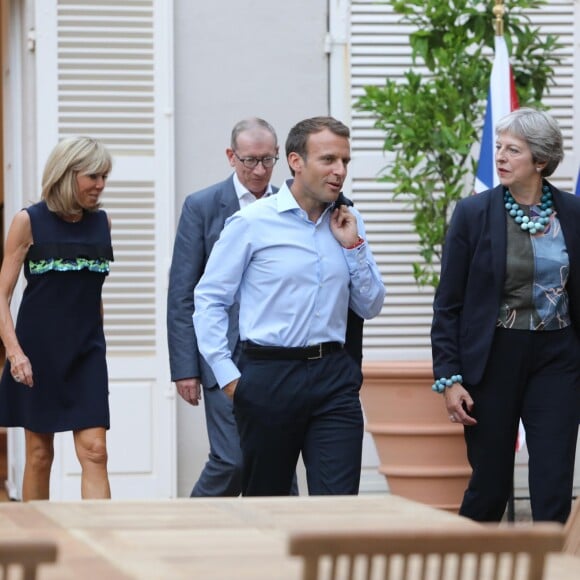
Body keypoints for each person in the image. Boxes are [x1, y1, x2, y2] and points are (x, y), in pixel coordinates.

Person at [193, 116, 385, 496]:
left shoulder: (349, 220)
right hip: (268, 374)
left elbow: (370, 304)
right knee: (270, 504)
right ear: (296, 161)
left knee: (339, 504)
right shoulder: (251, 222)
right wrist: (229, 377)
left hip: (334, 377)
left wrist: (353, 247)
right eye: (328, 159)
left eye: (345, 161)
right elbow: (209, 300)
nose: (339, 171)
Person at [431, 108, 580, 523]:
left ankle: (553, 570)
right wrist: (450, 377)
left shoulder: (573, 213)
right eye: (499, 147)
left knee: (553, 485)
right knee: (489, 486)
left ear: (541, 161)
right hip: (493, 356)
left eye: (513, 150)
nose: (500, 157)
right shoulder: (473, 214)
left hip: (558, 357)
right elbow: (448, 305)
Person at [167, 117, 280, 496]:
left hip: (279, 357)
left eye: (268, 160)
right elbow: (183, 292)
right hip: (221, 355)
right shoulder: (202, 206)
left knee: (275, 461)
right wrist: (186, 368)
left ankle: (277, 547)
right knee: (232, 459)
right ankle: (191, 527)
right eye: (250, 160)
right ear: (231, 157)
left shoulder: (289, 205)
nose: (260, 170)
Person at [0, 136, 114, 500]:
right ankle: (39, 542)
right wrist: (15, 353)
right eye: (92, 176)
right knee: (38, 454)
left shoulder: (102, 224)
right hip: (38, 352)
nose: (100, 185)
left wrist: (99, 342)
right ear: (67, 174)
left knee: (96, 451)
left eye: (104, 177)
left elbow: (93, 294)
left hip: (87, 351)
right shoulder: (28, 221)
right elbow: (1, 296)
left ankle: (99, 545)